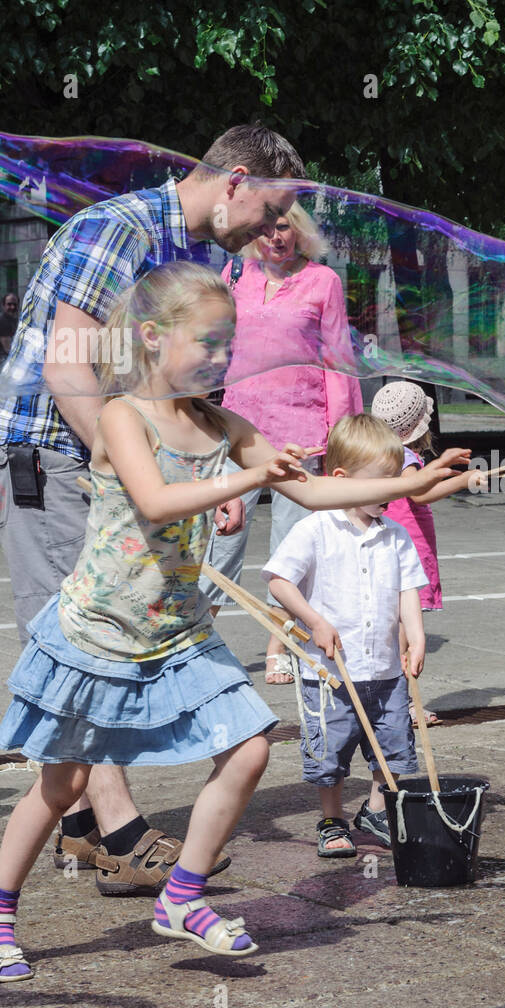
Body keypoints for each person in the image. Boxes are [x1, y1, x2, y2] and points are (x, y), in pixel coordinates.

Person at [0, 264, 468, 982]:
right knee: (63, 785)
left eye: (230, 344)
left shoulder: (221, 423)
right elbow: (158, 500)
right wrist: (248, 478)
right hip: (100, 630)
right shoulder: (121, 415)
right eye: (209, 342)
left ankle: (184, 896)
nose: (223, 358)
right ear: (152, 336)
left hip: (177, 633)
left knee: (252, 745)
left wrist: (411, 481)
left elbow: (318, 487)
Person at [0, 123, 307, 893]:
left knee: (120, 632)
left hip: (117, 459)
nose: (272, 229)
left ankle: (81, 830)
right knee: (89, 642)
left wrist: (207, 468)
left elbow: (179, 387)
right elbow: (69, 364)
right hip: (49, 450)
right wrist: (139, 477)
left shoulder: (206, 257)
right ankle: (113, 832)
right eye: (269, 208)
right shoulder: (114, 228)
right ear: (235, 181)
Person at [264, 413, 443, 857]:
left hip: (385, 668)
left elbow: (407, 589)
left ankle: (377, 808)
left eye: (394, 480)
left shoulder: (396, 534)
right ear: (342, 479)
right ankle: (332, 818)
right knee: (331, 752)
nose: (389, 492)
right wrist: (315, 622)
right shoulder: (314, 528)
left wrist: (416, 635)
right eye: (380, 482)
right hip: (330, 673)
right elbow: (278, 581)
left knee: (394, 746)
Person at [200, 203, 363, 686]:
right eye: (266, 226)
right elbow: (214, 347)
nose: (276, 235)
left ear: (300, 230)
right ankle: (197, 639)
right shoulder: (233, 274)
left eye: (285, 225)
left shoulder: (322, 282)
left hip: (303, 433)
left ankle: (280, 645)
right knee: (220, 538)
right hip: (237, 429)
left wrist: (342, 436)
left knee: (292, 548)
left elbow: (339, 361)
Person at [369, 381, 484, 725]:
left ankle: (389, 701)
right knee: (403, 631)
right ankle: (400, 705)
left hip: (385, 547)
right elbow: (419, 494)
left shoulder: (378, 454)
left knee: (392, 628)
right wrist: (463, 481)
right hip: (407, 548)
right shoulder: (406, 459)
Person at [0, 293, 19, 369]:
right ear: (3, 305)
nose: (12, 307)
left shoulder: (13, 320)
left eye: (15, 304)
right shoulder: (3, 322)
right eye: (9, 304)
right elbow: (8, 348)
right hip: (4, 363)